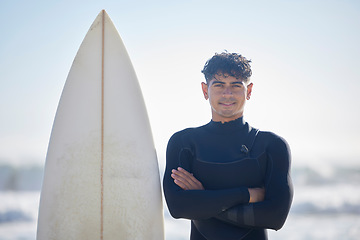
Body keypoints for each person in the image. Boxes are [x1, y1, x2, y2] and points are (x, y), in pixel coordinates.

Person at [163, 52, 293, 240]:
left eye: (235, 85)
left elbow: (275, 217)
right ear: (205, 90)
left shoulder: (271, 146)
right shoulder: (184, 143)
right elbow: (178, 207)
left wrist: (203, 199)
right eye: (219, 85)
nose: (227, 93)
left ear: (249, 91)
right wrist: (246, 195)